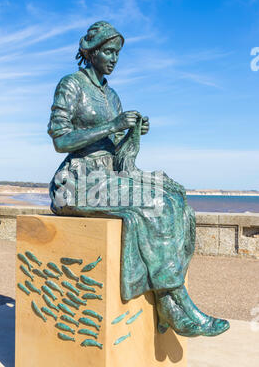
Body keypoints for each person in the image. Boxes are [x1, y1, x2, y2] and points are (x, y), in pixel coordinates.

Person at [48, 21, 229, 337]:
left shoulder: (112, 95)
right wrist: (111, 126)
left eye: (117, 53)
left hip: (109, 176)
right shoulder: (71, 85)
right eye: (108, 51)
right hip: (77, 182)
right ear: (90, 53)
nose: (114, 58)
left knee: (175, 196)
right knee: (155, 202)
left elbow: (122, 162)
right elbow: (60, 140)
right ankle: (175, 305)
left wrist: (133, 136)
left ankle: (169, 302)